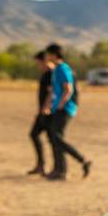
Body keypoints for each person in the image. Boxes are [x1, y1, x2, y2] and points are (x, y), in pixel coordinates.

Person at [44, 43, 91, 180]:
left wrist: (61, 104)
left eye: (48, 54)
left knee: (56, 138)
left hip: (64, 108)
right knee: (55, 139)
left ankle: (82, 160)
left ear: (53, 54)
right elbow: (54, 90)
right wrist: (49, 105)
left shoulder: (63, 69)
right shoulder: (57, 69)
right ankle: (60, 170)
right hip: (58, 108)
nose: (46, 57)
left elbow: (68, 89)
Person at [26, 50, 55, 176]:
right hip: (44, 110)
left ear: (45, 61)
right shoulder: (47, 73)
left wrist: (44, 109)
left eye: (39, 63)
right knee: (36, 135)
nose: (38, 66)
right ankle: (41, 165)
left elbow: (51, 92)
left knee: (49, 138)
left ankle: (47, 166)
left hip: (47, 111)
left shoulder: (50, 74)